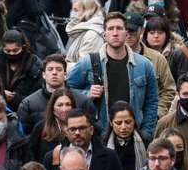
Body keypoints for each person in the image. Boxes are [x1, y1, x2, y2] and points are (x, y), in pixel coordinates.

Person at [67, 12, 159, 141]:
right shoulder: (88, 62)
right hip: (100, 133)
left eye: (119, 28)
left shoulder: (144, 65)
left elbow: (152, 101)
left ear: (126, 33)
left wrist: (146, 132)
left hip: (134, 134)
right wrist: (87, 94)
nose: (115, 33)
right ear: (104, 34)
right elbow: (67, 91)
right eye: (110, 29)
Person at [124, 12, 178, 119]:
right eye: (125, 30)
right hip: (119, 120)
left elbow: (169, 89)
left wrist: (156, 113)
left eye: (132, 31)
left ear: (141, 31)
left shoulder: (158, 59)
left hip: (148, 119)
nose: (128, 35)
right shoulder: (110, 58)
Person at [18, 54, 89, 136]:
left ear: (65, 75)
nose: (54, 73)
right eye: (50, 69)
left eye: (59, 70)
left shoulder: (82, 101)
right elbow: (23, 137)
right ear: (43, 75)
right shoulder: (28, 104)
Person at [0, 29, 43, 112]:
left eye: (15, 50)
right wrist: (1, 93)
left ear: (23, 47)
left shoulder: (34, 65)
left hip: (26, 110)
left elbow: (39, 94)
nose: (11, 54)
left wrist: (16, 98)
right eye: (7, 51)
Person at [102, 101, 148, 170]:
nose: (123, 127)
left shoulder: (145, 142)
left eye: (128, 122)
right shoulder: (103, 145)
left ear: (134, 121)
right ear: (111, 123)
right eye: (118, 123)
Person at [27, 88, 77, 160]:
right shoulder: (41, 127)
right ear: (53, 108)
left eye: (68, 104)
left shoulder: (81, 126)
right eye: (59, 105)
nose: (64, 109)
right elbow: (30, 155)